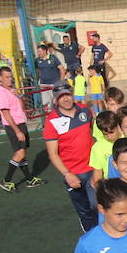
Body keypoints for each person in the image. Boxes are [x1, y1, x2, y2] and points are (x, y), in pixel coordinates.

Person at [43, 84, 98, 231]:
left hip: (93, 168)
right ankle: (89, 236)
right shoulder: (52, 121)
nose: (66, 99)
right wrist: (67, 174)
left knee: (98, 205)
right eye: (61, 96)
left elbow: (94, 133)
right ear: (55, 100)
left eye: (67, 94)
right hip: (73, 174)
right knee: (85, 211)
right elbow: (53, 154)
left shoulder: (85, 111)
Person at [0, 66, 44, 192]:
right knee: (20, 153)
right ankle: (6, 180)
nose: (10, 79)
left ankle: (29, 178)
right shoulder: (1, 93)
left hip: (20, 123)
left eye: (11, 76)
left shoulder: (11, 90)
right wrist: (17, 131)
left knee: (23, 152)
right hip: (13, 125)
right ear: (0, 78)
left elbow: (21, 106)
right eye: (7, 77)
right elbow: (6, 114)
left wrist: (18, 95)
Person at [88, 110, 122, 183]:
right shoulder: (97, 148)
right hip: (112, 186)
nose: (109, 137)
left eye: (112, 132)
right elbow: (97, 176)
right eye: (105, 134)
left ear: (118, 126)